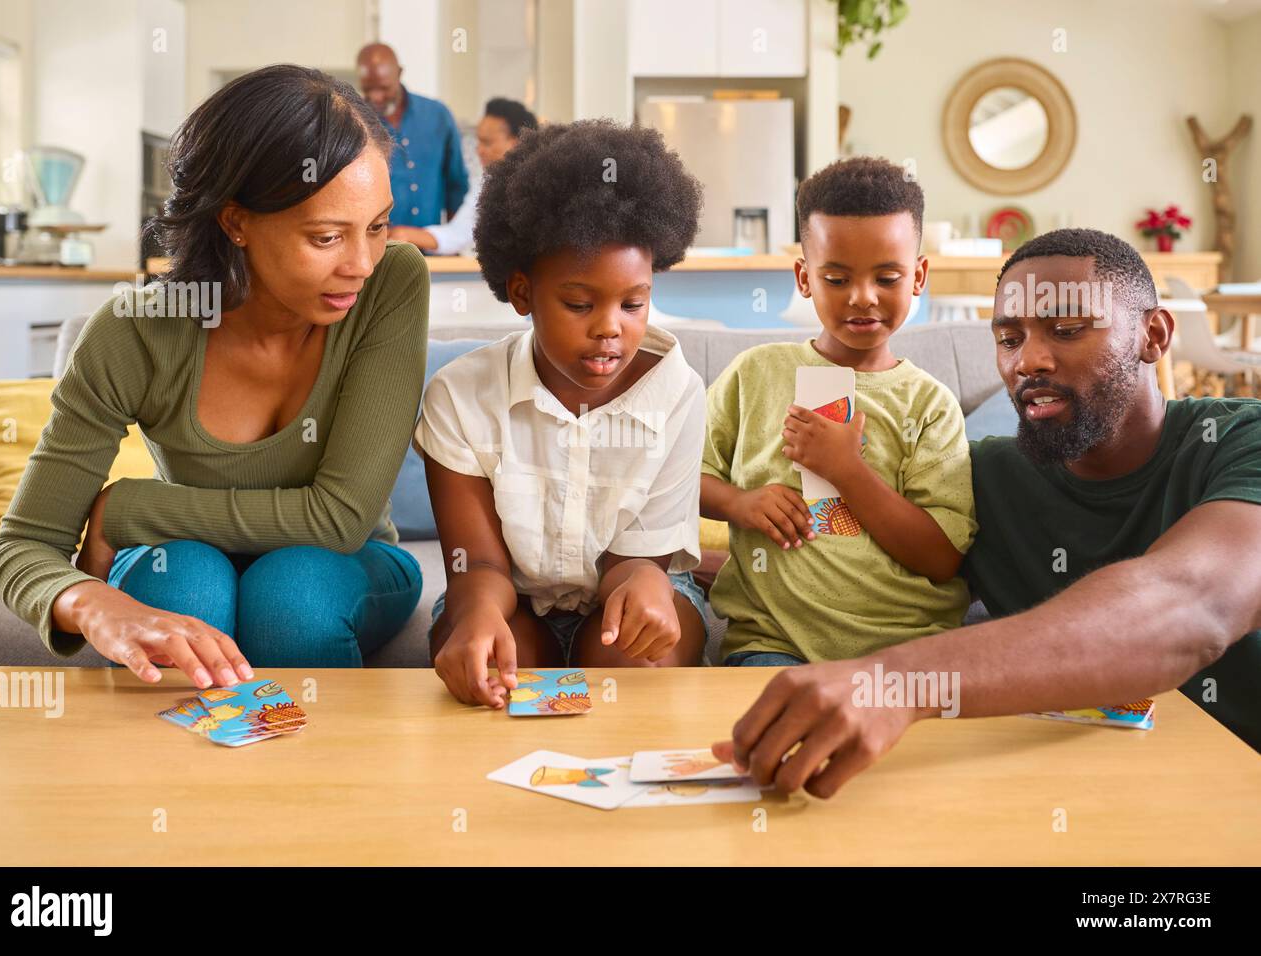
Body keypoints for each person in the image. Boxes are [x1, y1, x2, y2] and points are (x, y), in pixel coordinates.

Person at [712, 227, 1261, 797]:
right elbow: (845, 556)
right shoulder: (985, 476)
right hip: (1078, 801)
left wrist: (897, 684)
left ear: (1153, 334)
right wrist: (661, 570)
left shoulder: (1242, 440)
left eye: (1067, 330)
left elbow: (1190, 604)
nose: (1029, 361)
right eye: (1008, 338)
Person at [0, 65, 429, 685]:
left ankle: (320, 784)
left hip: (349, 558)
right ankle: (168, 783)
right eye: (327, 236)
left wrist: (128, 507)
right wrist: (89, 602)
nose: (361, 263)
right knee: (185, 587)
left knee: (291, 596)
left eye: (378, 226)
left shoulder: (392, 283)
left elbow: (340, 519)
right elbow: (24, 544)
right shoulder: (136, 331)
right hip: (191, 558)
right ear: (236, 221)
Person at [414, 120, 708, 708]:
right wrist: (473, 617)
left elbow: (636, 562)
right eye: (579, 303)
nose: (610, 328)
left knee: (636, 661)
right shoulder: (460, 395)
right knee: (497, 673)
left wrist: (649, 579)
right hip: (506, 596)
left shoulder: (677, 391)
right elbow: (480, 567)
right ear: (522, 293)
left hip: (628, 587)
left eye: (634, 303)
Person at [701, 156, 977, 666]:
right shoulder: (755, 374)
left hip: (906, 652)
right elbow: (676, 478)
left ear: (918, 277)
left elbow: (941, 557)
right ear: (804, 279)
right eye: (837, 278)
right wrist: (740, 504)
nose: (863, 298)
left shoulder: (929, 405)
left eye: (887, 278)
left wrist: (847, 471)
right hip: (775, 646)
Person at [390, 97, 538, 255]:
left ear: (518, 142)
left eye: (487, 143)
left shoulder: (544, 184)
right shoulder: (486, 184)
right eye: (478, 142)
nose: (479, 150)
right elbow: (460, 232)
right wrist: (402, 234)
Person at [357, 42, 470, 230]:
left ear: (399, 73)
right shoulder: (355, 121)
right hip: (379, 251)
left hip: (432, 249)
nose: (376, 97)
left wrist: (451, 241)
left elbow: (456, 183)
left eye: (384, 88)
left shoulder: (437, 115)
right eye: (368, 89)